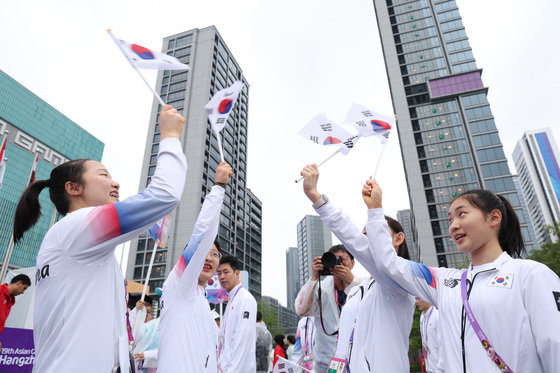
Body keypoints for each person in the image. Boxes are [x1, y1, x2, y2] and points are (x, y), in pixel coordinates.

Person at [12, 104, 187, 373]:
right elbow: (164, 195)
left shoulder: (76, 240)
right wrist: (170, 136)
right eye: (104, 175)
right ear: (73, 188)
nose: (115, 183)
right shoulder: (76, 228)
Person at [362, 180, 560, 372]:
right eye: (450, 220)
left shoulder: (531, 275)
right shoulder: (445, 282)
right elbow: (388, 262)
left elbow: (554, 346)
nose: (453, 225)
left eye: (461, 214)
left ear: (494, 217)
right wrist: (375, 210)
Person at [300, 164, 416, 372]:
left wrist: (316, 196)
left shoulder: (399, 278)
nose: (366, 239)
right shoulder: (360, 290)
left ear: (399, 238)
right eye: (364, 234)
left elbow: (347, 231)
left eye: (375, 231)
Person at [157, 161, 232, 373]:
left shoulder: (201, 297)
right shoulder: (180, 283)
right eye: (205, 254)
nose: (209, 258)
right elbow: (201, 235)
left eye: (215, 255)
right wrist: (218, 187)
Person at [217, 255, 257, 372]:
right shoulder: (231, 300)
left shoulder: (245, 299)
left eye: (226, 272)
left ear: (237, 273)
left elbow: (242, 343)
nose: (222, 277)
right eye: (219, 273)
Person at [417, 298, 444, 373]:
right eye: (416, 299)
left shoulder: (437, 316)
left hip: (439, 369)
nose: (417, 302)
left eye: (419, 299)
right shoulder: (422, 317)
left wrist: (439, 370)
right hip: (429, 368)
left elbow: (443, 345)